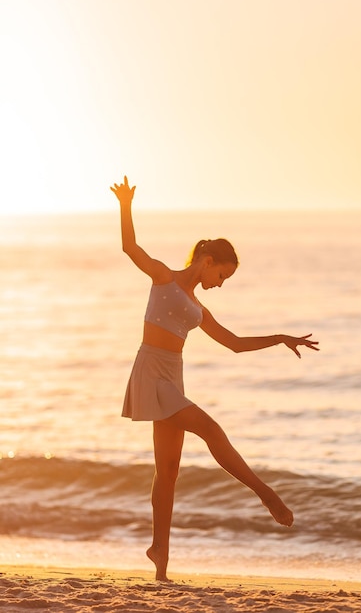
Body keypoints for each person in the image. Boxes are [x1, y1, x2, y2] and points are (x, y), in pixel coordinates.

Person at [111, 176, 319, 581]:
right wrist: (125, 206)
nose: (220, 284)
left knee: (167, 472)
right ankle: (267, 494)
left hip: (173, 377)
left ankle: (160, 558)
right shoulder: (163, 278)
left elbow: (235, 343)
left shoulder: (198, 308)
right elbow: (129, 248)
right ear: (208, 260)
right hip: (152, 372)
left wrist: (279, 338)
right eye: (222, 275)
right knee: (211, 429)